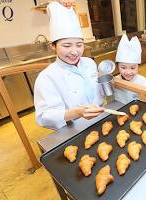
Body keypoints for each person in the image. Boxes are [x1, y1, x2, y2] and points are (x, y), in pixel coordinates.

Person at [34, 2, 104, 130]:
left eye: (79, 45)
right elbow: (44, 117)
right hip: (73, 129)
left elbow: (97, 92)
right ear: (53, 46)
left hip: (100, 120)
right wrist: (76, 112)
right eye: (66, 46)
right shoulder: (46, 78)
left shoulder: (89, 63)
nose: (74, 51)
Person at [113, 34, 146, 104]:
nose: (128, 72)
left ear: (138, 66)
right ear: (117, 66)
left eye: (133, 68)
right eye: (123, 67)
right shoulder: (114, 81)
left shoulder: (143, 82)